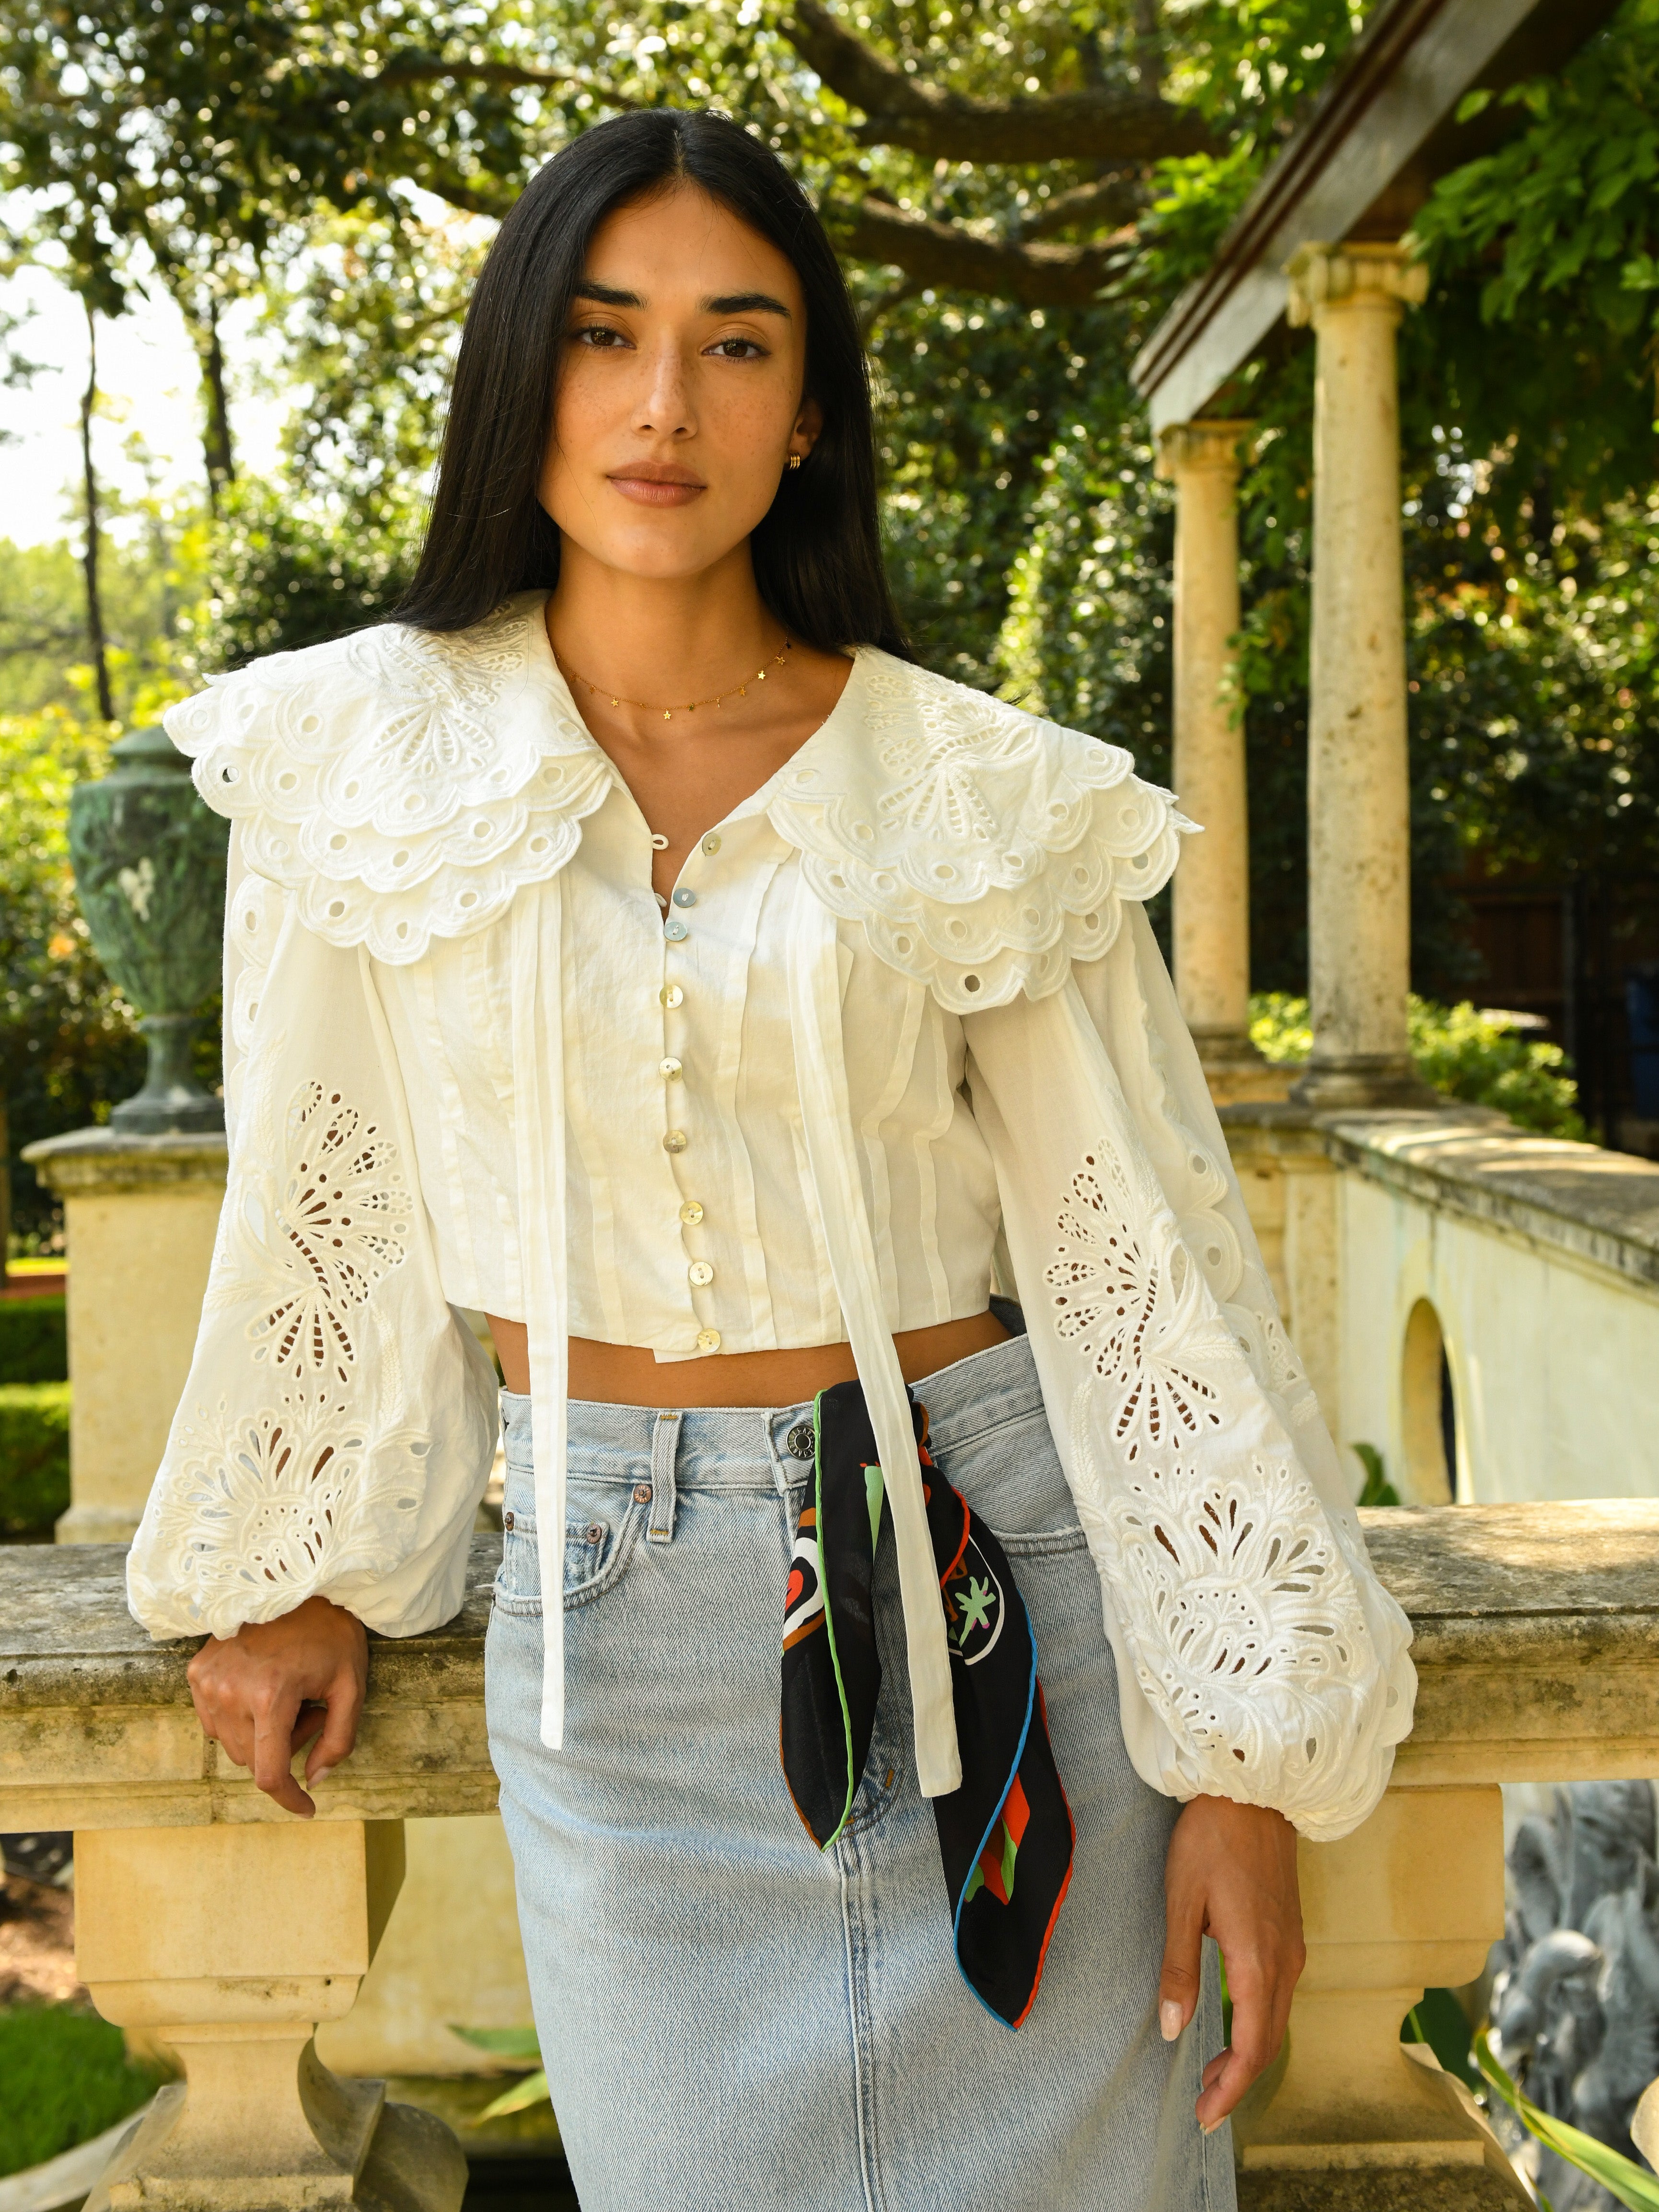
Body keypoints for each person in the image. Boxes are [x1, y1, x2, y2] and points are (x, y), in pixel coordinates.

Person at [139, 107, 1415, 2212]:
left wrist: (1242, 1765)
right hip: (612, 1636)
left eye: (736, 344)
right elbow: (326, 1187)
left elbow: (1137, 1267)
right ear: (522, 369)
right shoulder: (360, 760)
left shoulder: (977, 792)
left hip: (997, 1584)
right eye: (604, 333)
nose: (665, 403)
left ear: (808, 410)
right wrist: (297, 1565)